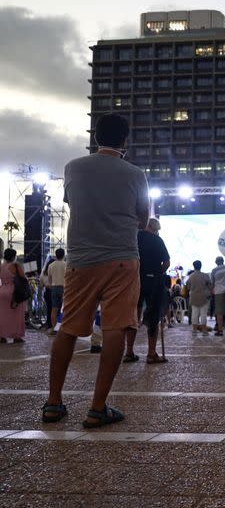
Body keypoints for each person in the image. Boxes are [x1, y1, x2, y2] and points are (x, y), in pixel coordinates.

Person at [42, 113, 149, 428]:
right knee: (115, 327)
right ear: (125, 140)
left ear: (96, 136)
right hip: (121, 259)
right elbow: (142, 218)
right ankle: (97, 406)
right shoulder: (136, 174)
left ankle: (53, 402)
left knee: (69, 328)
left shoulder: (73, 168)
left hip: (81, 259)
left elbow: (73, 202)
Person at [124, 218, 169, 363]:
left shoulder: (134, 237)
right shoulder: (157, 240)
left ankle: (129, 352)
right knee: (153, 316)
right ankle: (151, 353)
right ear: (154, 228)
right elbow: (166, 262)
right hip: (154, 280)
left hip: (135, 279)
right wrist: (158, 272)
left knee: (133, 315)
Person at [0, 248, 26, 343]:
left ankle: (2, 336)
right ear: (13, 256)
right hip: (15, 293)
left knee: (2, 315)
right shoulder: (15, 266)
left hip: (2, 291)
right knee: (17, 316)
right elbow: (23, 278)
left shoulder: (1, 266)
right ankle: (17, 336)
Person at [211, 256, 225, 336]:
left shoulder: (214, 270)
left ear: (216, 262)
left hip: (218, 291)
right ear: (223, 261)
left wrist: (212, 292)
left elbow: (212, 283)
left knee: (219, 312)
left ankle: (220, 330)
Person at [186, 260, 212, 333]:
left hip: (193, 297)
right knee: (203, 314)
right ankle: (204, 330)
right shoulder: (205, 275)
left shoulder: (191, 276)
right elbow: (210, 286)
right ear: (201, 266)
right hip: (204, 297)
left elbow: (188, 287)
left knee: (194, 314)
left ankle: (194, 330)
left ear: (194, 267)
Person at [47, 249, 67, 335]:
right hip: (64, 288)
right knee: (65, 309)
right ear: (64, 255)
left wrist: (52, 286)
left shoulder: (51, 265)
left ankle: (54, 328)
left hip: (54, 288)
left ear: (56, 255)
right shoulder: (66, 264)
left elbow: (49, 279)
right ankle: (64, 329)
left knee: (54, 309)